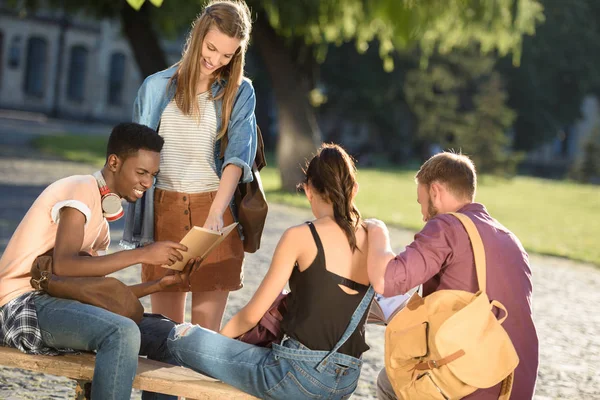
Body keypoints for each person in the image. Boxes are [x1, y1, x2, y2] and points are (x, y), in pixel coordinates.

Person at [0, 123, 201, 400]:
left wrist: (158, 284)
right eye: (141, 172)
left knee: (168, 335)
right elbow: (64, 266)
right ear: (114, 162)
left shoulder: (102, 226)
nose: (147, 182)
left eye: (153, 175)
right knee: (122, 332)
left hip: (60, 304)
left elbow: (95, 294)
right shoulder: (81, 189)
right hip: (22, 305)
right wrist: (143, 253)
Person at [166, 144, 374, 399]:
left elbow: (251, 315)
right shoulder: (373, 236)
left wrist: (216, 346)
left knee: (179, 338)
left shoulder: (301, 236)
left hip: (296, 375)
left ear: (308, 190)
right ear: (354, 190)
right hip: (346, 380)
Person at [122, 0, 257, 331]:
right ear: (198, 36)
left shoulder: (240, 92)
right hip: (164, 213)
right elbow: (135, 159)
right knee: (164, 337)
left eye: (227, 55)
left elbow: (236, 159)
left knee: (201, 341)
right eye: (211, 48)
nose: (216, 60)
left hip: (215, 215)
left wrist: (215, 214)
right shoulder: (156, 88)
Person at [365, 152, 539, 400]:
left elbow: (386, 280)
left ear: (435, 191)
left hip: (472, 380)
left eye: (421, 202)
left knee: (391, 379)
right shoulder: (510, 239)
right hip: (515, 380)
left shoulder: (446, 226)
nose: (423, 214)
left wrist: (377, 231)